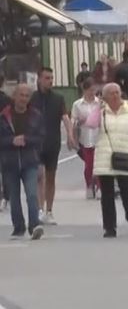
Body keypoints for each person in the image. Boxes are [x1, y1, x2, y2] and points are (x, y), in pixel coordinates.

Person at [91, 83, 128, 238]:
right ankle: (109, 227)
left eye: (117, 92)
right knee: (107, 195)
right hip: (105, 157)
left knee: (127, 192)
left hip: (125, 157)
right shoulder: (102, 112)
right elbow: (90, 124)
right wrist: (98, 107)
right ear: (104, 97)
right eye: (111, 93)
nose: (115, 96)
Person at [0, 84, 46, 240]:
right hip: (10, 162)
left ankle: (34, 226)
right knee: (14, 196)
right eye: (21, 95)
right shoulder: (4, 116)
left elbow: (40, 138)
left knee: (32, 194)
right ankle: (18, 227)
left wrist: (25, 140)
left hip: (29, 161)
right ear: (14, 96)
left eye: (27, 96)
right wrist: (11, 141)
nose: (24, 99)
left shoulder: (36, 115)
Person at [30, 67, 71, 226]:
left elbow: (65, 117)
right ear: (39, 79)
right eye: (47, 78)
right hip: (35, 143)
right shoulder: (32, 98)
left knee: (51, 177)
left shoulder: (58, 98)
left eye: (51, 78)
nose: (50, 81)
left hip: (53, 142)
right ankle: (40, 209)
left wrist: (70, 135)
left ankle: (49, 211)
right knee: (39, 175)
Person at [70, 79, 101, 199]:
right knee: (89, 165)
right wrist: (78, 122)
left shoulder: (100, 103)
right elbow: (73, 120)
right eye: (90, 90)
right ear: (85, 90)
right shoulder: (77, 104)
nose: (93, 92)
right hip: (85, 138)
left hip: (99, 137)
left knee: (99, 164)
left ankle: (99, 186)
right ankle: (89, 185)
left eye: (94, 90)